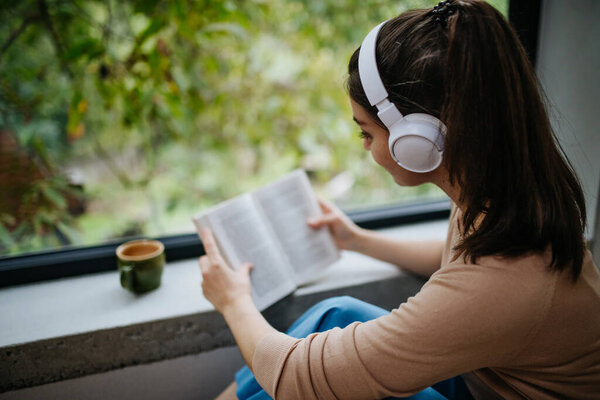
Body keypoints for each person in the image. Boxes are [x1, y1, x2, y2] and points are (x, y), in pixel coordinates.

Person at [199, 0, 600, 398]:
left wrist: (233, 301)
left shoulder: (505, 281)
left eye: (367, 133)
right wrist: (357, 239)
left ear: (419, 141)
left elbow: (295, 378)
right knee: (334, 315)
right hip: (485, 382)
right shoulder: (500, 191)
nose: (365, 148)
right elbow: (458, 264)